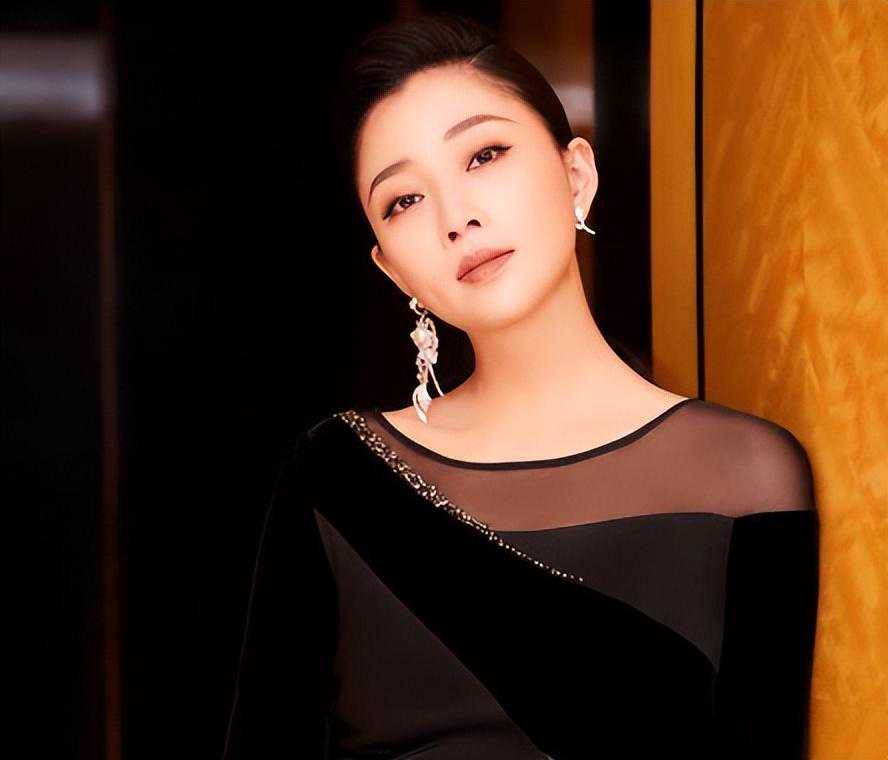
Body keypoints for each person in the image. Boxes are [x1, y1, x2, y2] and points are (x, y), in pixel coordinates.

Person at [221, 12, 819, 759]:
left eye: (484, 155)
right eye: (404, 200)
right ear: (392, 269)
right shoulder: (336, 475)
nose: (456, 218)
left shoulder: (746, 475)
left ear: (577, 175)